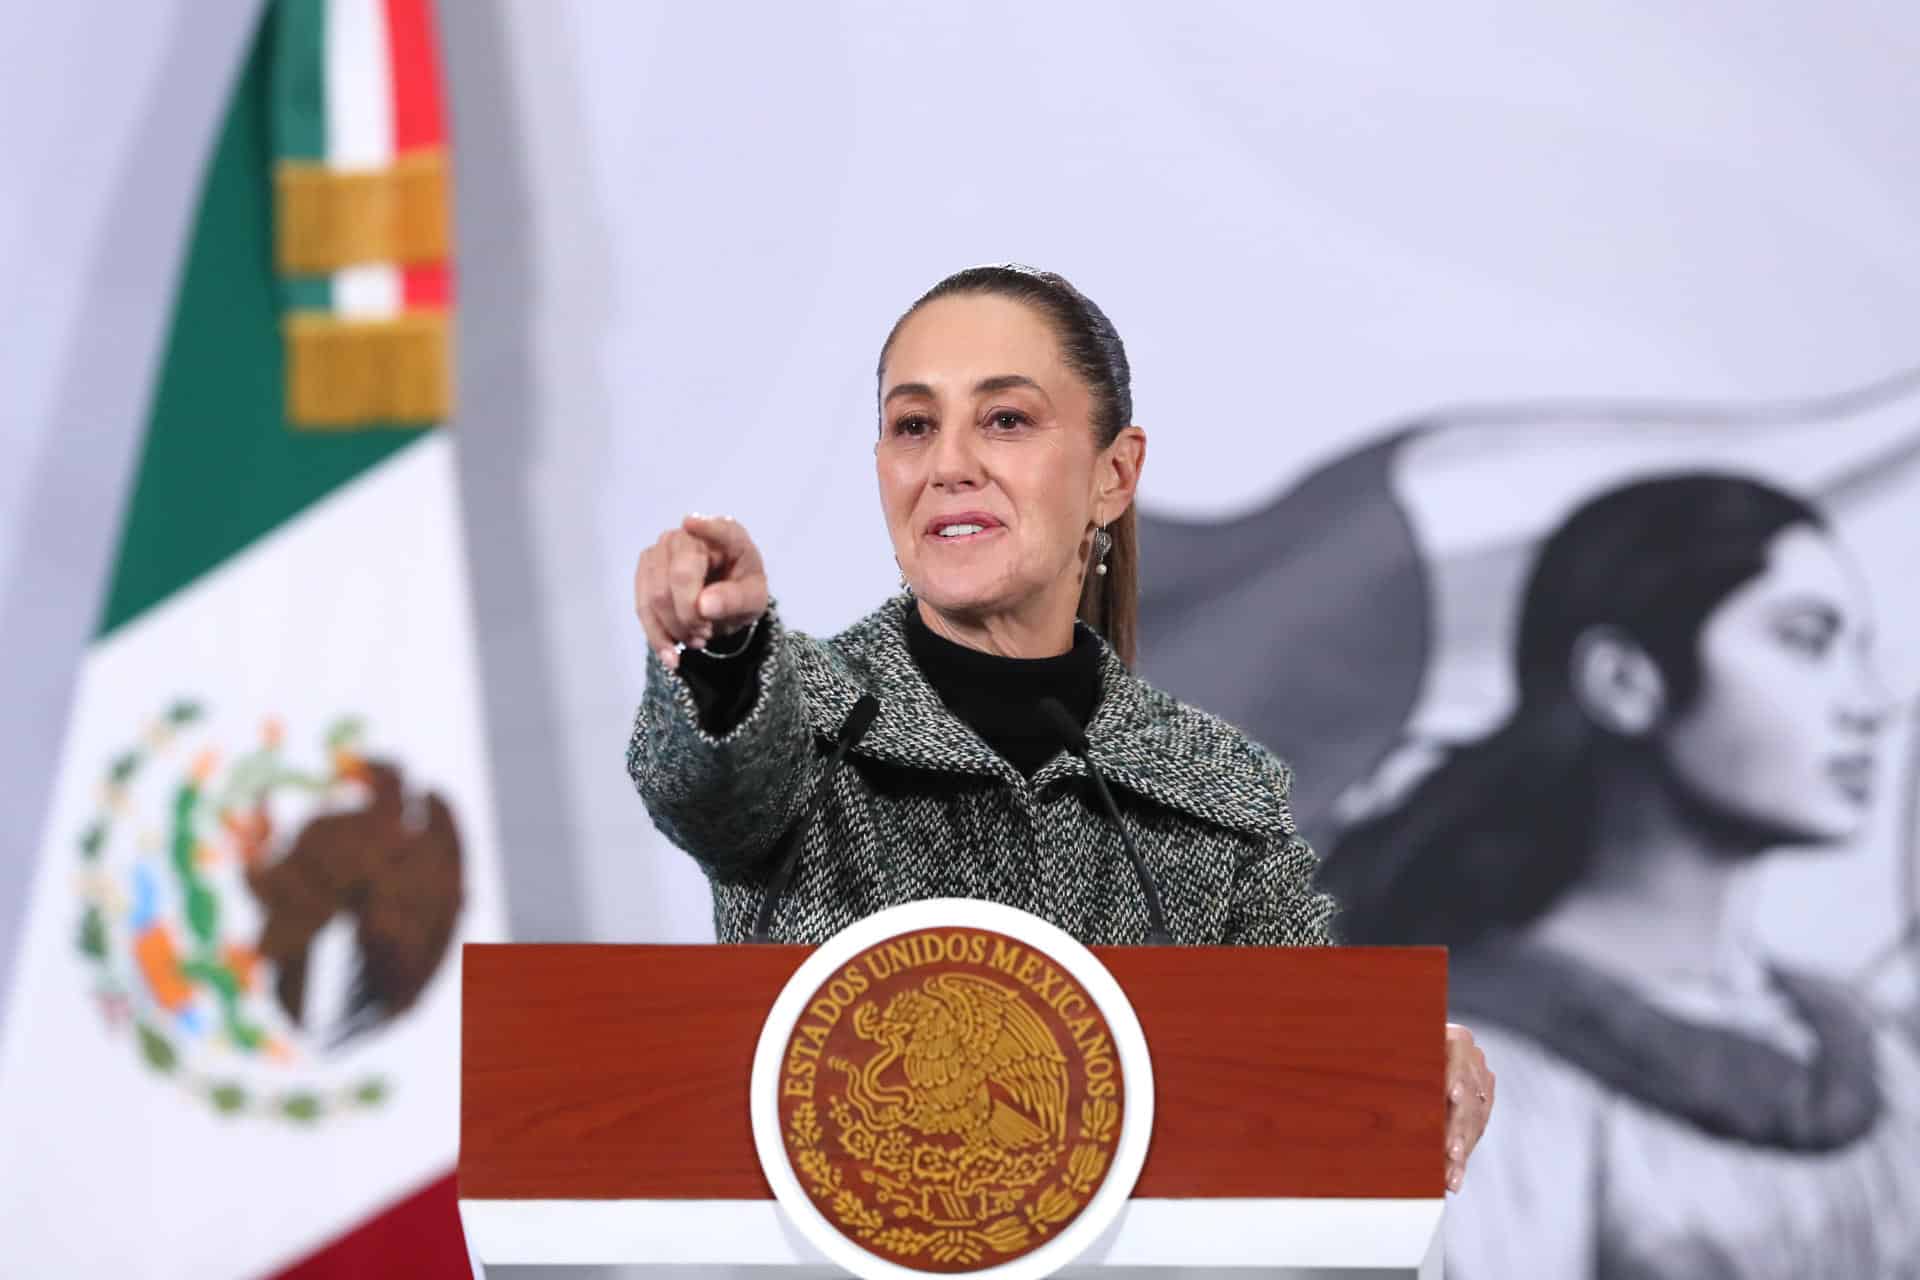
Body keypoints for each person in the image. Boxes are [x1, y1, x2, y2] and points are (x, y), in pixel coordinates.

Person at [626, 263, 1493, 1190]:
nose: (950, 463)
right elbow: (711, 787)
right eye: (914, 426)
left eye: (1005, 419)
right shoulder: (804, 710)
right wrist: (719, 653)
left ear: (1114, 475)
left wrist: (1405, 1061)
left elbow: (1304, 1049)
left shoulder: (1214, 779)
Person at [1317, 473, 1920, 1277]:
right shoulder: (1464, 1073)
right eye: (1807, 641)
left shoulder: (1874, 1051)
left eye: (1860, 651)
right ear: (1625, 681)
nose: (1871, 702)